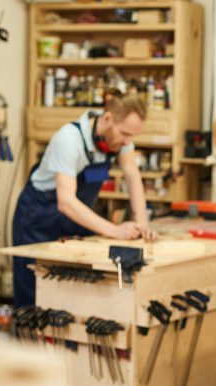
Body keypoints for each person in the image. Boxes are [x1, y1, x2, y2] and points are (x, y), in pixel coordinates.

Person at [12, 94, 155, 308]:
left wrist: (142, 224)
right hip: (37, 218)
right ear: (107, 119)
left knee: (74, 295)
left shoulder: (119, 141)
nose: (127, 142)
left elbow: (132, 175)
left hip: (72, 221)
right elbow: (66, 202)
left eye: (132, 137)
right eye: (124, 134)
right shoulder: (69, 139)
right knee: (35, 297)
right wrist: (114, 230)